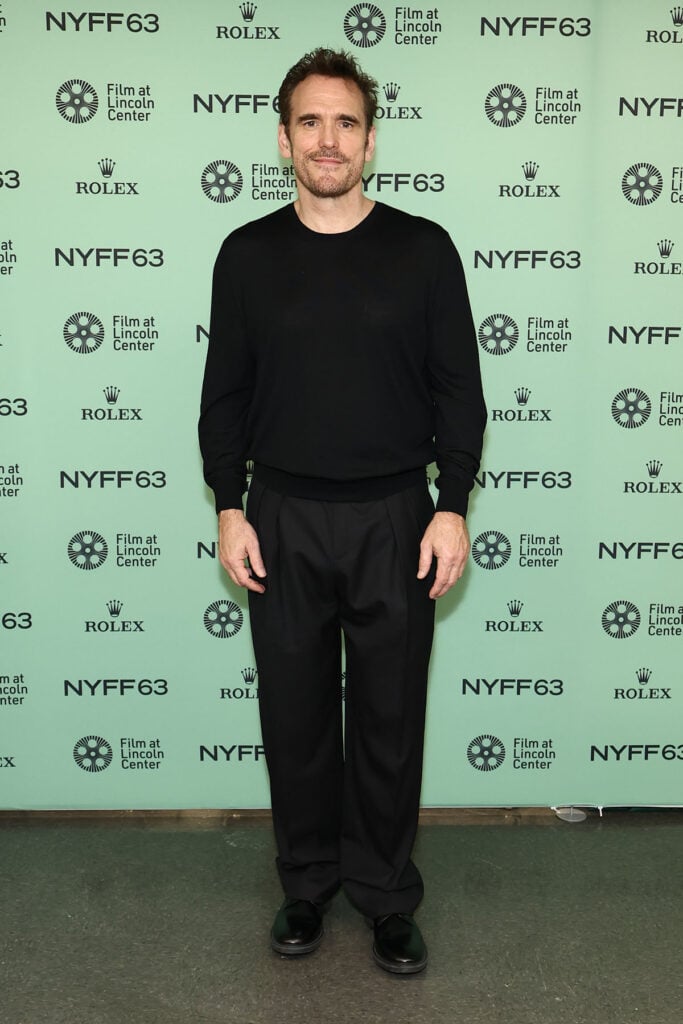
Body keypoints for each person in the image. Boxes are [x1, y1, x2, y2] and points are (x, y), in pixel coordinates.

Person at [199, 47, 486, 975]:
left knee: (390, 719)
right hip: (279, 519)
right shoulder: (245, 255)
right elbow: (224, 397)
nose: (329, 138)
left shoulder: (423, 248)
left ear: (370, 140)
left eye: (346, 122)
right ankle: (306, 883)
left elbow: (459, 394)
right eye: (310, 121)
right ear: (283, 139)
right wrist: (229, 507)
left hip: (397, 521)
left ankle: (385, 894)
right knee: (294, 717)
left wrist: (452, 507)